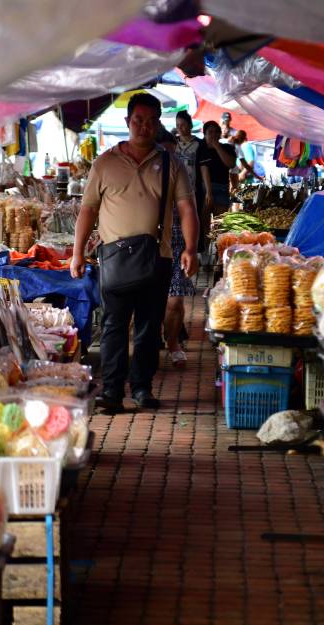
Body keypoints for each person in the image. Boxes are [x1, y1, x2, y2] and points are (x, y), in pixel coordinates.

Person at [70, 93, 199, 412]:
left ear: (158, 124)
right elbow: (87, 210)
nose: (144, 126)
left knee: (148, 327)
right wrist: (76, 253)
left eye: (151, 121)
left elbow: (187, 209)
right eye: (138, 120)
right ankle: (112, 391)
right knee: (114, 326)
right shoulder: (104, 163)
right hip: (114, 260)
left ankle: (142, 388)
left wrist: (192, 249)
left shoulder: (171, 163)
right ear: (128, 122)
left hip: (158, 258)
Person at [165, 111, 202, 369]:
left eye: (172, 152)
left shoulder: (181, 174)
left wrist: (192, 248)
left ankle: (173, 343)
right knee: (157, 302)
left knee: (176, 300)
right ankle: (164, 337)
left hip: (179, 242)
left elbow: (190, 211)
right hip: (152, 245)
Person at [198, 121, 236, 250]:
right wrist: (208, 192)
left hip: (222, 189)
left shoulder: (228, 148)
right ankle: (205, 256)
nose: (213, 135)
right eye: (210, 132)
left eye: (216, 132)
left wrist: (217, 146)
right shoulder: (200, 149)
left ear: (220, 134)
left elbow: (230, 164)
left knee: (221, 227)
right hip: (205, 190)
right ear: (204, 134)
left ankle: (219, 256)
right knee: (204, 227)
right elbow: (203, 170)